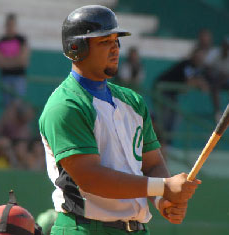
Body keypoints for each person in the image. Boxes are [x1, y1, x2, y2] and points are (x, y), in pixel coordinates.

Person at [39, 5, 201, 235]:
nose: (115, 48)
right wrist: (163, 187)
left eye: (116, 41)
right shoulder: (66, 105)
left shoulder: (132, 101)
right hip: (85, 228)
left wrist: (160, 200)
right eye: (105, 42)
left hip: (136, 228)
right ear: (77, 49)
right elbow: (91, 179)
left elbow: (152, 163)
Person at [154, 48, 209, 144]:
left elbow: (199, 81)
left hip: (171, 93)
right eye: (198, 56)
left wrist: (200, 83)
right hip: (162, 89)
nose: (200, 59)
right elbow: (190, 81)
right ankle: (162, 142)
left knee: (175, 117)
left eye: (202, 57)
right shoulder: (187, 64)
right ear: (193, 56)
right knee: (164, 118)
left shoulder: (197, 68)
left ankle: (167, 143)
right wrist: (198, 83)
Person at [204, 36, 229, 125]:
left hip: (227, 79)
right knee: (215, 86)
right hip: (215, 78)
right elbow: (207, 67)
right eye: (225, 46)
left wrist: (228, 76)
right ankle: (218, 112)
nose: (227, 49)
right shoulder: (215, 52)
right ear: (222, 46)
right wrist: (218, 74)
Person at [0, 13, 30, 106]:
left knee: (18, 105)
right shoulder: (0, 41)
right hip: (5, 78)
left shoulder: (21, 40)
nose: (10, 27)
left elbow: (23, 61)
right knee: (7, 106)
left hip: (18, 78)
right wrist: (15, 60)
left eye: (12, 25)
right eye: (8, 25)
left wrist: (6, 61)